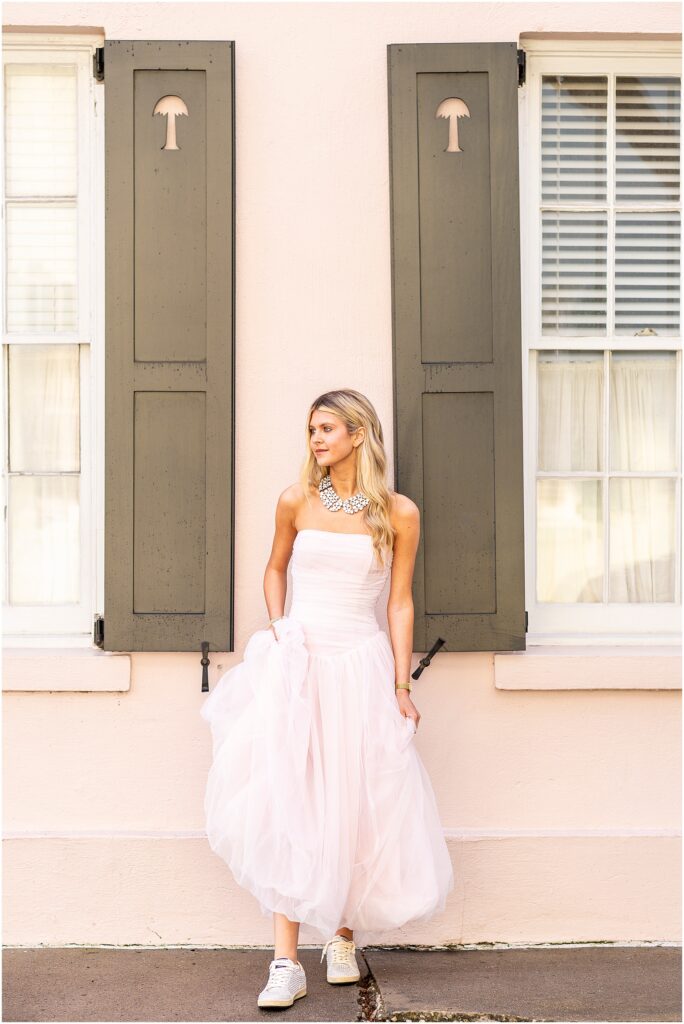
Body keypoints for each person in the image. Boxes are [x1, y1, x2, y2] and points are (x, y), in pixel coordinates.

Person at [200, 388, 454, 1009]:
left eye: (326, 429)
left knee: (355, 797)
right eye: (311, 429)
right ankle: (285, 962)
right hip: (298, 663)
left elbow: (399, 601)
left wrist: (401, 685)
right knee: (289, 796)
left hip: (360, 665)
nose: (315, 440)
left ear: (358, 435)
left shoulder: (398, 513)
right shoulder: (296, 500)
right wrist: (280, 623)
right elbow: (274, 566)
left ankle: (340, 936)